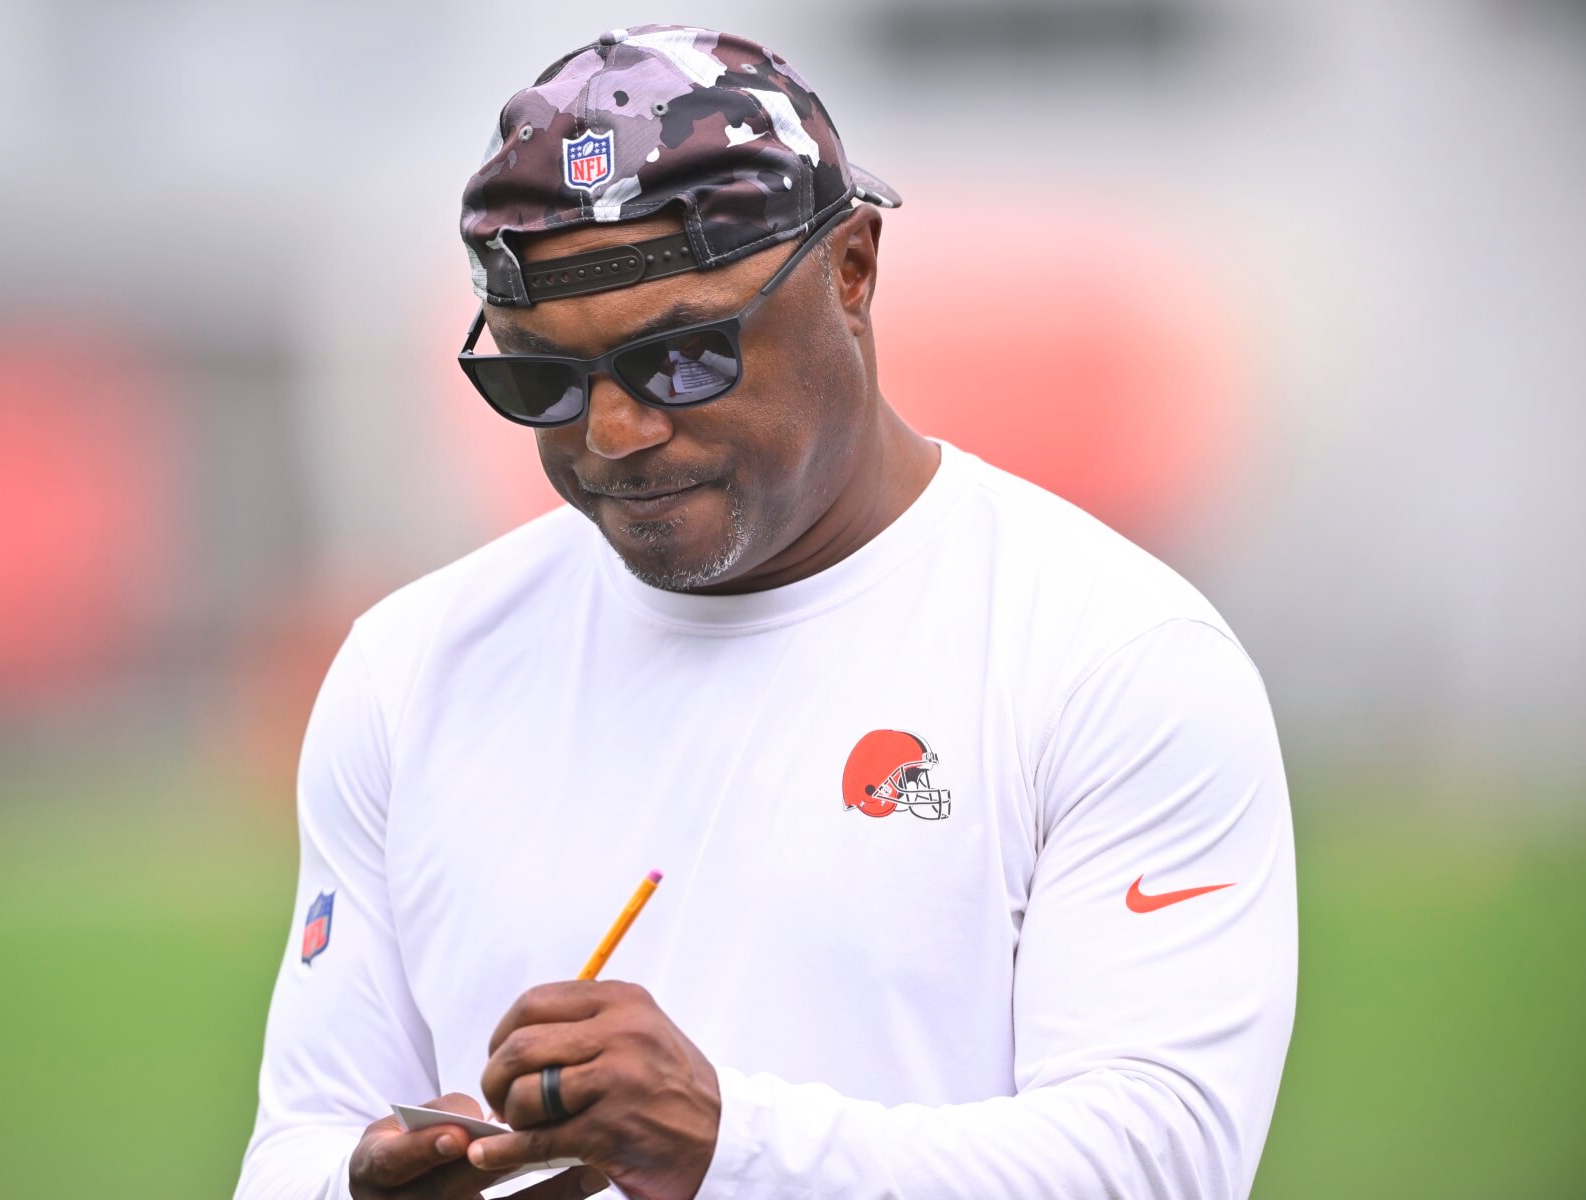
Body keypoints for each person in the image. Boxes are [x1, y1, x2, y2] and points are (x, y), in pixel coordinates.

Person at [235, 23, 1296, 1200]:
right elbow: (301, 1138)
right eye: (541, 379)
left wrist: (724, 1142)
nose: (616, 432)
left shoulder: (1112, 656)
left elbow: (1159, 1166)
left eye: (684, 358)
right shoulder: (412, 668)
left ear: (853, 271)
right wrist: (362, 1187)